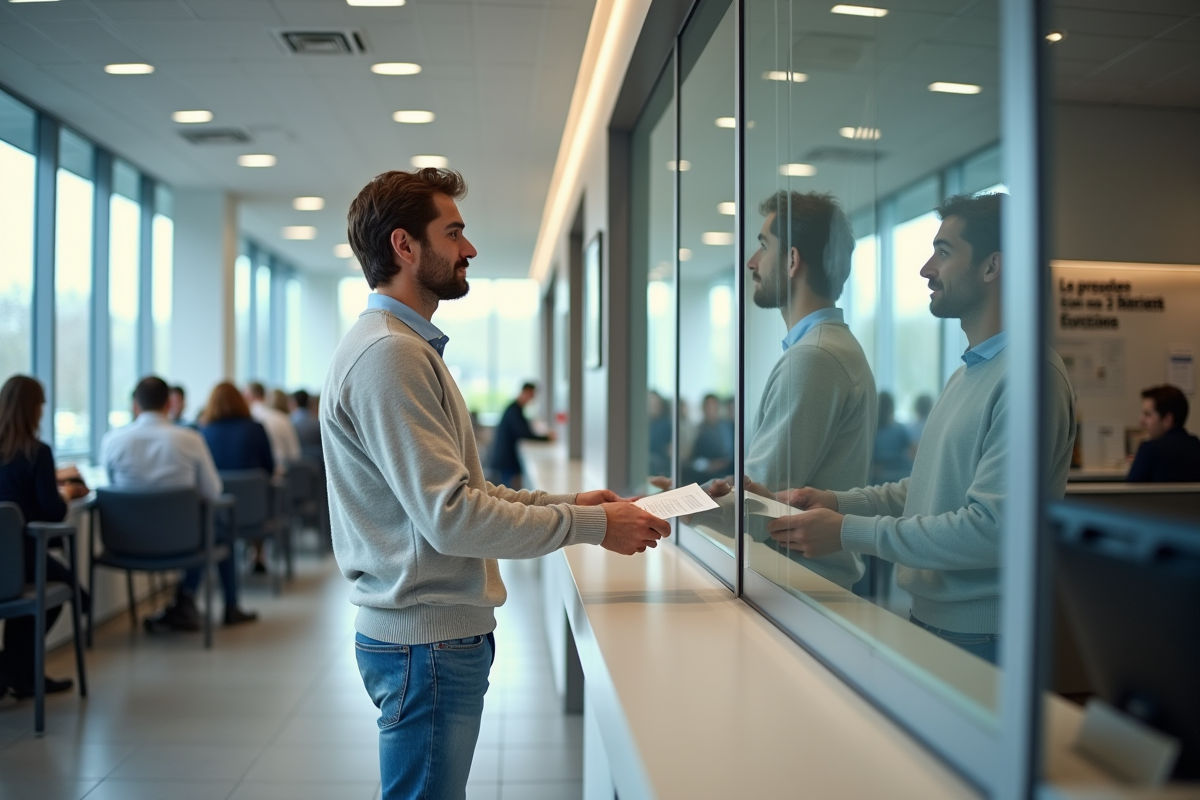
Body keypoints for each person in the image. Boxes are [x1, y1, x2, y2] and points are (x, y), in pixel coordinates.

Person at [324, 167, 669, 800]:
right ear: (404, 246)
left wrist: (574, 504)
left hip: (428, 638)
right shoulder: (391, 354)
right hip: (426, 642)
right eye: (453, 232)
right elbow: (451, 518)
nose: (469, 249)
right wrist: (594, 526)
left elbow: (464, 492)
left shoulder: (404, 347)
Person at [766, 193, 1076, 664]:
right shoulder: (972, 371)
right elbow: (929, 491)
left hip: (986, 638)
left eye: (944, 252)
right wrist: (835, 502)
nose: (926, 269)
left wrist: (849, 530)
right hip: (939, 623)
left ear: (993, 267)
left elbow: (992, 529)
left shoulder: (1031, 378)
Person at [707, 191, 875, 590]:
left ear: (793, 260)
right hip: (804, 590)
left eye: (764, 246)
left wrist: (678, 508)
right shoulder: (828, 349)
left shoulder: (813, 357)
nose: (752, 261)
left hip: (797, 593)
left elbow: (757, 513)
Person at [101, 376, 258, 631]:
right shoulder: (189, 439)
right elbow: (214, 492)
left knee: (203, 527)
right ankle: (227, 606)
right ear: (169, 404)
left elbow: (114, 488)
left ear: (135, 405)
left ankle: (183, 603)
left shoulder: (111, 441)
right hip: (184, 540)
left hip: (125, 541)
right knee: (220, 526)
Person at [0, 375, 90, 699]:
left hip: (6, 564)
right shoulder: (36, 452)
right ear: (34, 409)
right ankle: (14, 668)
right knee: (76, 595)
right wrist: (66, 494)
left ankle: (17, 673)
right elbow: (52, 513)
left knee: (27, 600)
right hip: (23, 558)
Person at [1127, 384, 1200, 482]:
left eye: (1147, 414)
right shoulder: (1196, 445)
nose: (1141, 421)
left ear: (1167, 420)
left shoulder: (1149, 449)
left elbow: (1129, 492)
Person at [489, 382, 552, 489]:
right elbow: (523, 433)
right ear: (526, 393)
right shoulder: (514, 410)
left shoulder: (516, 408)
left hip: (507, 457)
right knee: (507, 493)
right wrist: (546, 438)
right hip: (506, 459)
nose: (532, 399)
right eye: (532, 395)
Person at [244, 382, 300, 474]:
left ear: (249, 396)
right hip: (280, 478)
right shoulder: (282, 419)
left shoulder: (244, 420)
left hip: (245, 479)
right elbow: (294, 455)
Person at [684, 394, 734, 485]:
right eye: (707, 406)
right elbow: (691, 457)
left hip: (725, 472)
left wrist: (720, 463)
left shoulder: (727, 428)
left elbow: (730, 454)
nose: (710, 410)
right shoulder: (698, 429)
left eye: (713, 406)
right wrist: (707, 465)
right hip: (704, 474)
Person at [871, 391, 912, 484]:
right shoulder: (900, 429)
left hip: (877, 477)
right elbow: (911, 453)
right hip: (900, 475)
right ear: (892, 408)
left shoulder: (871, 430)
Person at [289, 389, 323, 462]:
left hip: (296, 462)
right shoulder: (316, 421)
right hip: (317, 463)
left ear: (294, 402)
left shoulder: (289, 422)